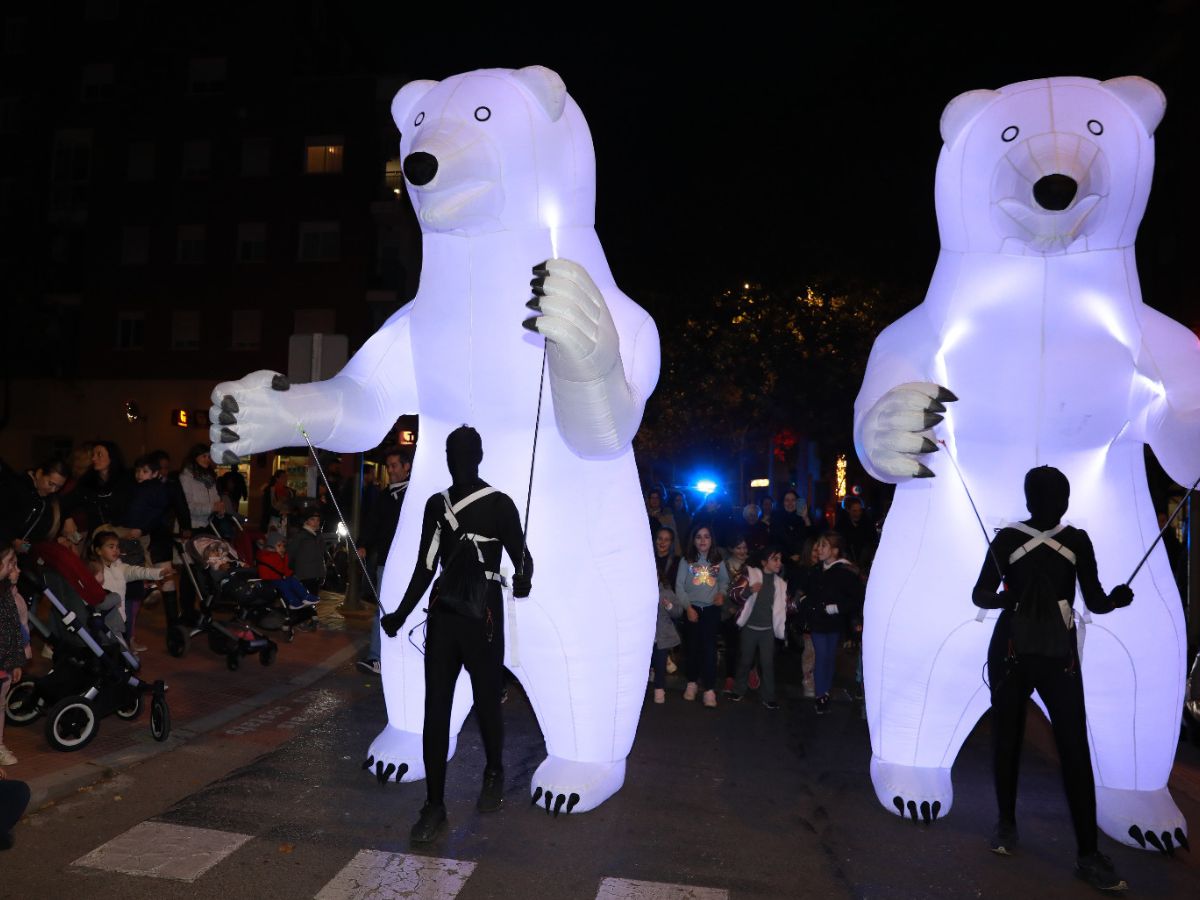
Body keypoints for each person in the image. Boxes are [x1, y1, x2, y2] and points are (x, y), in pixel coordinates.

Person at [972, 465, 1132, 892]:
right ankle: (1082, 852)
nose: (1053, 501)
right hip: (1043, 654)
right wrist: (1116, 599)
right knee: (1068, 748)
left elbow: (982, 594)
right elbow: (1096, 602)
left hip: (1019, 650)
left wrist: (1005, 598)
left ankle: (1012, 828)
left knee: (1017, 739)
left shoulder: (1011, 538)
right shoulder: (1071, 541)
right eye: (1052, 494)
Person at [379, 426, 532, 845]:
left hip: (482, 616)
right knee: (436, 710)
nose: (458, 459)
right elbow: (425, 568)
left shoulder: (500, 504)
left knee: (486, 703)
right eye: (453, 452)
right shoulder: (437, 505)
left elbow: (523, 559)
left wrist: (522, 580)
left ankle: (494, 770)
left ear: (478, 456)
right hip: (448, 617)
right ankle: (434, 804)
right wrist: (400, 614)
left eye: (463, 452)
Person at [356, 447, 412, 676]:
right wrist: (363, 544)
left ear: (406, 467)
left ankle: (408, 657)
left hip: (411, 564)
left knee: (410, 609)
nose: (390, 471)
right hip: (386, 562)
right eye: (388, 467)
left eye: (394, 466)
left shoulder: (416, 494)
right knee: (382, 610)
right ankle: (376, 658)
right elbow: (372, 523)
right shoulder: (384, 495)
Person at [799, 532, 863, 715]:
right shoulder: (816, 570)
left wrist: (837, 608)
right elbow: (806, 591)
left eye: (823, 546)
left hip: (834, 623)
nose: (819, 549)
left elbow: (855, 598)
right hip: (817, 621)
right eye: (818, 545)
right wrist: (805, 602)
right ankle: (821, 695)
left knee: (829, 657)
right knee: (821, 655)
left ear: (834, 551)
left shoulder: (846, 571)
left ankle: (825, 690)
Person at [675, 525, 729, 708]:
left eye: (706, 536)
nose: (703, 540)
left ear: (711, 539)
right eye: (698, 537)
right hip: (692, 610)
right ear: (693, 540)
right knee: (692, 648)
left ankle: (709, 689)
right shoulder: (687, 561)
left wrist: (722, 593)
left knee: (709, 649)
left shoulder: (717, 560)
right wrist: (688, 607)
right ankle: (691, 682)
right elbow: (679, 587)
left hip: (711, 611)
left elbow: (724, 581)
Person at [729, 545, 788, 709]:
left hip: (767, 630)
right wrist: (748, 590)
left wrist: (794, 604)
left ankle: (769, 696)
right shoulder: (751, 575)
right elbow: (733, 593)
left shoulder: (780, 583)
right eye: (775, 559)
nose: (779, 563)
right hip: (749, 628)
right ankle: (738, 689)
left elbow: (784, 606)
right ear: (764, 562)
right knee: (745, 660)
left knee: (767, 663)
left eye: (780, 559)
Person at [0, 546, 32, 767]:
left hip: (3, 665)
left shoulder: (8, 596)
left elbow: (15, 630)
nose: (15, 568)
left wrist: (16, 661)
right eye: (10, 562)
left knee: (0, 705)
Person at [0, 457, 67, 556]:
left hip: (17, 556)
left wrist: (59, 539)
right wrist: (12, 540)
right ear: (39, 473)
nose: (53, 490)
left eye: (59, 487)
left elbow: (34, 540)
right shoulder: (13, 487)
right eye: (51, 484)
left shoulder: (48, 500)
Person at [651, 526, 683, 703]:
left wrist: (670, 603)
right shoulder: (647, 556)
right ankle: (655, 668)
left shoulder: (676, 561)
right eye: (659, 538)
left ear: (671, 543)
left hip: (666, 603)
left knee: (662, 643)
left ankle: (660, 680)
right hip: (649, 607)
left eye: (666, 539)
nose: (662, 543)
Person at [257, 531, 319, 608]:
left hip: (279, 578)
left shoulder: (280, 555)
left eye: (283, 546)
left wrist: (286, 561)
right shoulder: (266, 556)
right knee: (284, 584)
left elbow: (285, 570)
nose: (282, 548)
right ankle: (292, 601)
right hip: (269, 580)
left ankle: (305, 596)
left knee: (293, 580)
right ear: (271, 547)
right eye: (279, 545)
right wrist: (282, 557)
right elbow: (276, 568)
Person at [287, 507, 327, 596]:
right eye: (312, 519)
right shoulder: (300, 536)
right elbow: (291, 553)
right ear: (306, 521)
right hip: (304, 576)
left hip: (316, 575)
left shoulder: (319, 536)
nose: (315, 522)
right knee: (305, 602)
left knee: (313, 601)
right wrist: (291, 571)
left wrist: (322, 573)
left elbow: (321, 555)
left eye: (317, 520)